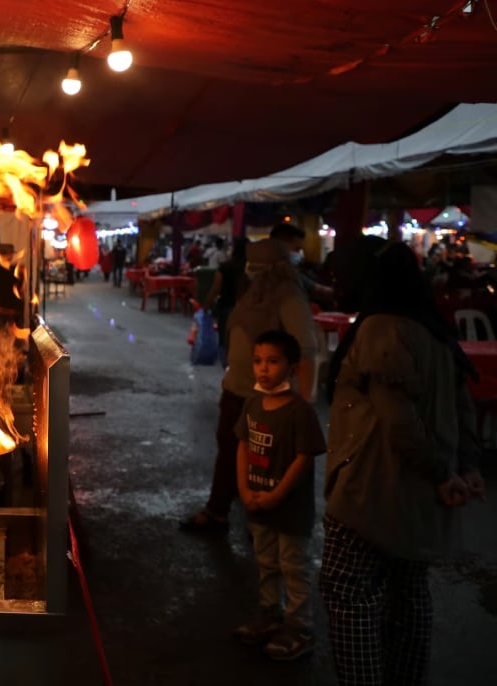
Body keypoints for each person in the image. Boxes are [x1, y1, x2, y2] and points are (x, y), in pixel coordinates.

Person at [321, 236, 486, 685]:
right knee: (408, 594)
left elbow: (399, 421)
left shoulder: (380, 329)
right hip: (420, 499)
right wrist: (464, 467)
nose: (339, 281)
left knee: (350, 594)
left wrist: (441, 471)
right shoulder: (433, 327)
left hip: (370, 492)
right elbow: (463, 406)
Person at [180, 238, 319, 534]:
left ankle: (263, 520)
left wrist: (303, 401)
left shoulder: (289, 297)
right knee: (232, 452)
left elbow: (307, 351)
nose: (251, 271)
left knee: (265, 462)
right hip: (238, 390)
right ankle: (222, 512)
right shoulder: (255, 292)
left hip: (268, 398)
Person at [232, 329, 326, 660]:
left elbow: (304, 459)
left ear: (292, 367)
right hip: (257, 502)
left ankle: (300, 627)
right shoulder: (253, 403)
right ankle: (270, 613)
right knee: (266, 562)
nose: (263, 369)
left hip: (290, 509)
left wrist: (274, 496)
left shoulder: (300, 411)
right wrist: (244, 488)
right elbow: (243, 445)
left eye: (273, 362)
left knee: (294, 566)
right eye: (258, 361)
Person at [203, 236, 248, 367]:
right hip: (247, 310)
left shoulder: (226, 267)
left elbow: (216, 288)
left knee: (225, 340)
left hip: (226, 307)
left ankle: (228, 367)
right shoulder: (252, 269)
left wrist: (206, 305)